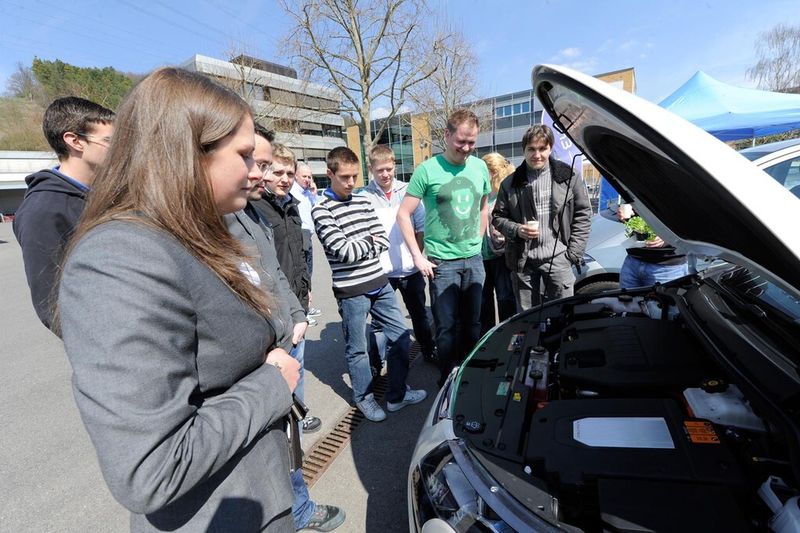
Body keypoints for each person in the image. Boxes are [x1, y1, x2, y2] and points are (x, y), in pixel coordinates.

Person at [56, 67, 302, 532]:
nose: (257, 173)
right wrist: (272, 384)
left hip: (259, 498)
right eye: (245, 156)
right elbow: (151, 468)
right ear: (188, 153)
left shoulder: (203, 231)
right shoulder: (121, 258)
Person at [235, 131, 344, 532]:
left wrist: (300, 300)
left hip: (291, 322)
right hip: (272, 338)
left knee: (291, 422)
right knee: (280, 434)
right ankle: (298, 510)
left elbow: (286, 264)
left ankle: (295, 504)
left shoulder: (282, 207)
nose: (272, 177)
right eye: (268, 168)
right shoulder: (247, 210)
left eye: (282, 171)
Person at [312, 146, 426, 422]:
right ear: (330, 174)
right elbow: (343, 251)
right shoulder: (321, 209)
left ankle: (396, 394)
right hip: (351, 290)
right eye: (345, 177)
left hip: (379, 281)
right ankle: (363, 398)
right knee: (358, 349)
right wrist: (368, 244)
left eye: (355, 176)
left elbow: (382, 240)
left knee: (400, 338)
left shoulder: (362, 201)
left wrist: (363, 244)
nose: (351, 183)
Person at [397, 109, 490, 386]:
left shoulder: (479, 167)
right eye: (461, 141)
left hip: (474, 259)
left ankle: (469, 371)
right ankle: (448, 375)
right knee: (447, 327)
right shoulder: (427, 170)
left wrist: (479, 240)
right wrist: (418, 257)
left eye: (472, 142)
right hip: (443, 264)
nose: (466, 148)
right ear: (447, 135)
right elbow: (403, 214)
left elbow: (483, 207)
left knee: (473, 324)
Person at [13, 96, 114, 329]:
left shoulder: (105, 194)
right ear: (75, 141)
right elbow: (52, 305)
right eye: (110, 141)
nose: (120, 149)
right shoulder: (42, 212)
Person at [251, 136, 323, 433]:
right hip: (273, 306)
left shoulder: (292, 206)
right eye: (276, 172)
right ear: (264, 173)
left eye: (289, 173)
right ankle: (284, 421)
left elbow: (299, 255)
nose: (284, 179)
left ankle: (297, 413)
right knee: (280, 368)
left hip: (296, 300)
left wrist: (305, 291)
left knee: (298, 366)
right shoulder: (256, 211)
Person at [492, 124, 592, 311]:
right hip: (523, 263)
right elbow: (498, 217)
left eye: (542, 148)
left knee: (562, 317)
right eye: (531, 149)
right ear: (524, 150)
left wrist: (572, 255)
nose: (536, 154)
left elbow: (583, 214)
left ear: (550, 148)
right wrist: (517, 230)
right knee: (528, 320)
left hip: (559, 261)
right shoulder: (510, 183)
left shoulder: (568, 176)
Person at [362, 144, 437, 362]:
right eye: (379, 170)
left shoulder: (408, 191)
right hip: (382, 272)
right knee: (378, 322)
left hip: (410, 269)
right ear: (371, 170)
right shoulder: (365, 196)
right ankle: (377, 362)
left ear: (394, 165)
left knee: (419, 314)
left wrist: (418, 255)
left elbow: (420, 226)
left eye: (388, 168)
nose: (385, 174)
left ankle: (428, 350)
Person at [479, 153, 517, 334]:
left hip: (501, 254)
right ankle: (487, 336)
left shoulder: (507, 190)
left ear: (493, 171)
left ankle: (506, 332)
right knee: (483, 299)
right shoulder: (482, 191)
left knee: (504, 297)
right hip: (481, 253)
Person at [617, 204, 688, 288]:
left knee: (663, 301)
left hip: (667, 268)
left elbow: (697, 220)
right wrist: (624, 209)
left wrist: (670, 237)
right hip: (633, 261)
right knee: (626, 300)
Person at [291, 162, 322, 321]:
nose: (308, 179)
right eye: (304, 176)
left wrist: (314, 194)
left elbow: (317, 210)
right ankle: (302, 312)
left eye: (310, 177)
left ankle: (307, 307)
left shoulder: (306, 193)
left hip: (308, 236)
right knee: (302, 274)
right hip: (299, 235)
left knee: (308, 274)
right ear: (296, 176)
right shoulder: (293, 192)